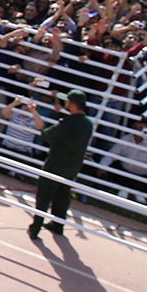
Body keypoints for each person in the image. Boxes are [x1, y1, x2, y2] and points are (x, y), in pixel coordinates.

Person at [28, 88, 94, 239]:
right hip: (72, 166)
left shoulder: (68, 123)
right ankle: (58, 224)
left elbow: (47, 135)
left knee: (44, 196)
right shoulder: (88, 124)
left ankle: (36, 226)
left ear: (72, 103)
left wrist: (39, 118)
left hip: (55, 164)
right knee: (63, 196)